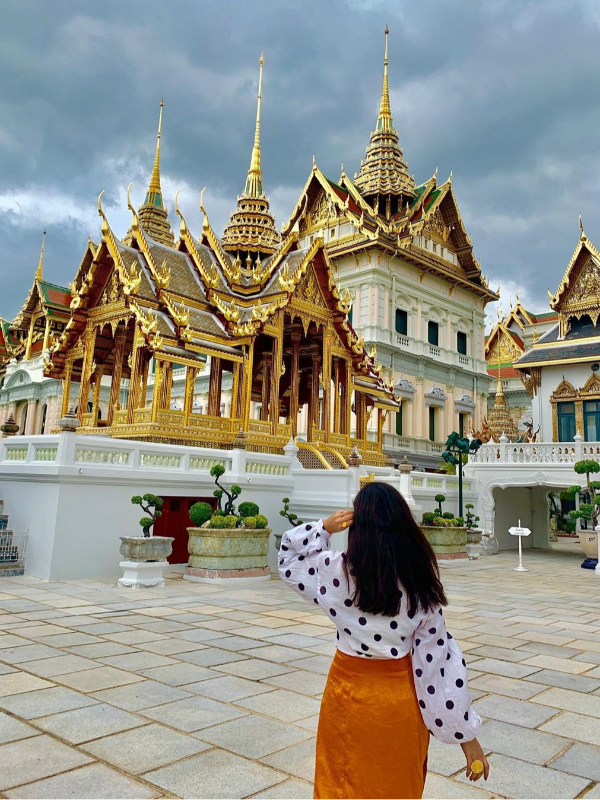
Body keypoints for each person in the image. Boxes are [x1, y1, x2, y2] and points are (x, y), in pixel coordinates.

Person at [278, 482, 489, 799]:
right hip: (398, 701)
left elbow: (288, 557)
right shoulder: (419, 583)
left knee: (341, 784)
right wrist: (467, 738)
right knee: (394, 785)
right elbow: (438, 668)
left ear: (358, 526)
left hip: (345, 695)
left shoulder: (337, 571)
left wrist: (323, 526)